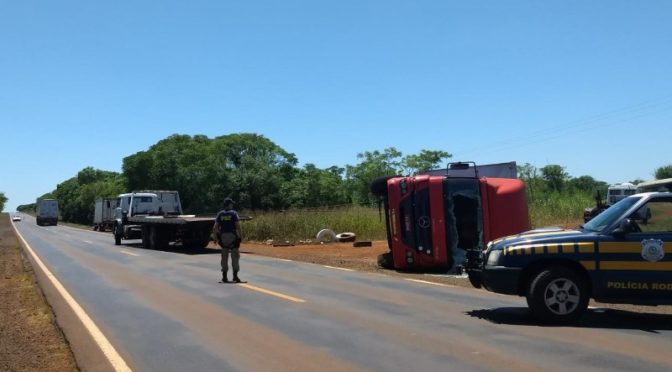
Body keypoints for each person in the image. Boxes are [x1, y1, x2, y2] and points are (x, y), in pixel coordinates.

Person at [213, 198, 242, 283]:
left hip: (223, 237)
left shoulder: (220, 214)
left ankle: (224, 276)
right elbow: (238, 226)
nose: (232, 205)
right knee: (235, 256)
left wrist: (215, 238)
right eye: (231, 204)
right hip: (233, 236)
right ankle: (235, 276)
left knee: (224, 256)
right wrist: (240, 236)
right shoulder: (233, 213)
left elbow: (215, 227)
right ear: (229, 204)